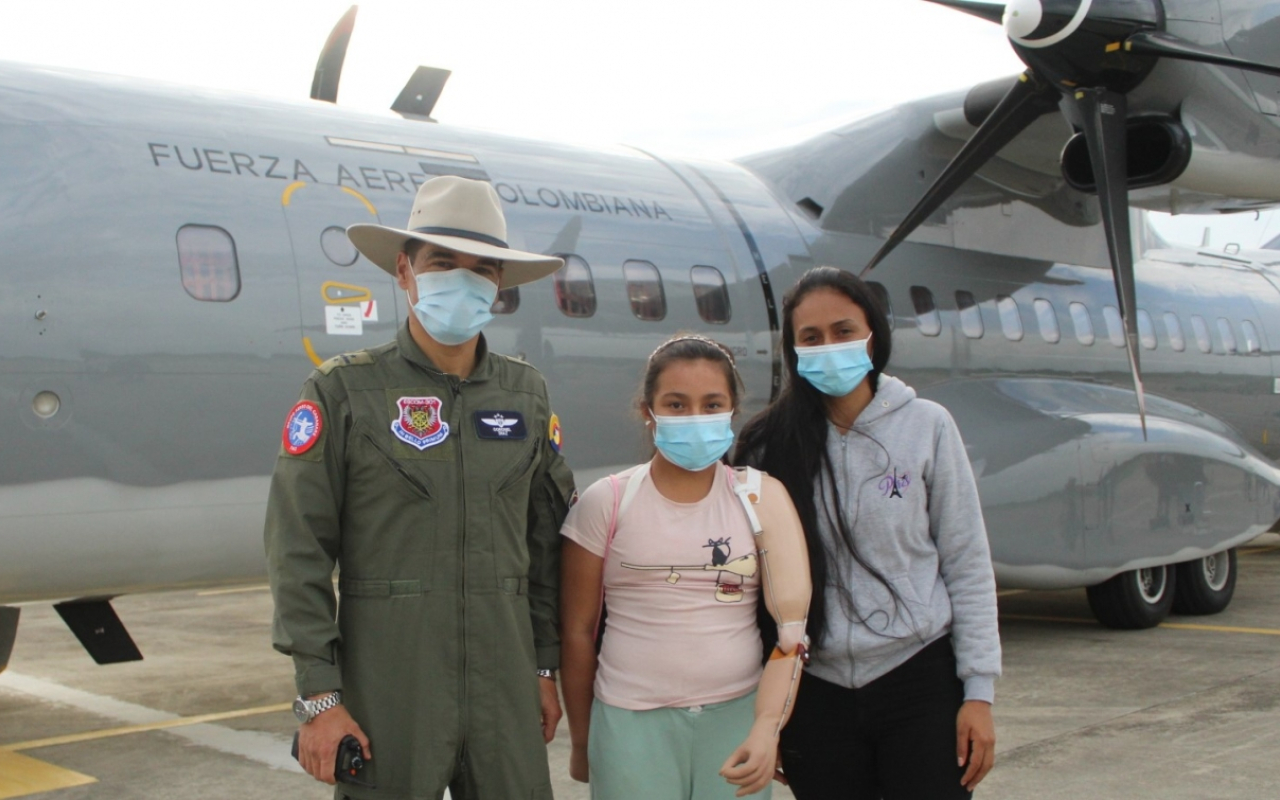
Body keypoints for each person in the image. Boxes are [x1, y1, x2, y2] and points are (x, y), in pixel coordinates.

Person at [264, 176, 577, 800]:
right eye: (442, 263)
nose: (463, 280)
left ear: (499, 287)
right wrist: (320, 698)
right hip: (390, 693)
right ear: (404, 272)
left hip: (505, 692)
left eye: (482, 269)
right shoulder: (343, 392)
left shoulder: (526, 395)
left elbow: (547, 546)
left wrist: (545, 667)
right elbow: (297, 552)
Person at [734, 266, 1001, 798]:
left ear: (873, 335)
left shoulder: (927, 426)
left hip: (919, 679)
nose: (828, 346)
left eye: (843, 330)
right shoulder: (767, 447)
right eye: (811, 338)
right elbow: (754, 586)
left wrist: (978, 692)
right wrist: (769, 715)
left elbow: (966, 561)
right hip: (815, 688)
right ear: (793, 349)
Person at [559, 334, 811, 800]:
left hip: (735, 719)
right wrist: (582, 741)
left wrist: (765, 730)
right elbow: (577, 632)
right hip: (629, 726)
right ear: (647, 411)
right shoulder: (606, 502)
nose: (695, 417)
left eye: (712, 403)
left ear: (733, 411)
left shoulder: (761, 497)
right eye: (676, 404)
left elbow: (792, 636)